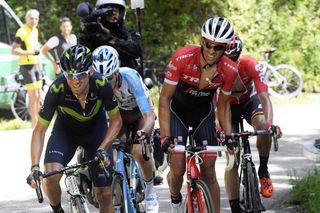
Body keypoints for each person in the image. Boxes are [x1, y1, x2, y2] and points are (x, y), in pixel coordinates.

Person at [26, 45, 122, 213]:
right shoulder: (57, 89)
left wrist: (103, 148)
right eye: (70, 75)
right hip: (66, 133)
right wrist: (34, 167)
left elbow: (116, 121)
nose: (75, 80)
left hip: (96, 133)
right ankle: (57, 210)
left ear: (90, 71)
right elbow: (39, 131)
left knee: (105, 195)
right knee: (51, 176)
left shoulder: (100, 84)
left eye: (80, 75)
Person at [158, 17, 238, 213]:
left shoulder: (229, 70)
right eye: (208, 44)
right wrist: (165, 136)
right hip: (178, 113)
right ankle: (176, 200)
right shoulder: (182, 58)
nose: (211, 50)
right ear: (202, 41)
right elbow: (165, 99)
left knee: (209, 171)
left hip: (203, 116)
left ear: (225, 48)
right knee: (177, 169)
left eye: (218, 47)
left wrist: (228, 135)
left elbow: (224, 106)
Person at [92, 45, 159, 212]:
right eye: (101, 79)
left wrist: (145, 131)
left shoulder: (130, 77)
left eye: (108, 79)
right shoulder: (93, 83)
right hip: (117, 119)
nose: (104, 84)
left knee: (138, 151)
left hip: (139, 115)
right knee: (112, 156)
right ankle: (120, 199)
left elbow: (148, 114)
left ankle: (150, 191)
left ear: (116, 73)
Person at [223, 36, 282, 213]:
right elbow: (215, 103)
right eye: (227, 59)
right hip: (227, 107)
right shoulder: (216, 69)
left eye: (234, 58)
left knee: (263, 127)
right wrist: (220, 129)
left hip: (249, 101)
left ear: (239, 55)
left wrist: (270, 124)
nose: (231, 63)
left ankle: (263, 171)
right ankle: (234, 207)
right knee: (232, 156)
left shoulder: (250, 64)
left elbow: (265, 98)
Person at [79, 0, 142, 72]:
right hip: (98, 77)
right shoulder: (95, 32)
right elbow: (82, 56)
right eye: (108, 11)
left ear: (122, 13)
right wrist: (85, 35)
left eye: (116, 11)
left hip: (125, 76)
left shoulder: (129, 33)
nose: (113, 14)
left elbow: (138, 50)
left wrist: (112, 39)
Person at [11, 9, 42, 127]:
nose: (33, 21)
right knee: (33, 94)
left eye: (36, 18)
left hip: (36, 65)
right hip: (26, 65)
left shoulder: (35, 31)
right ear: (26, 19)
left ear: (38, 20)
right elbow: (13, 50)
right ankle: (34, 124)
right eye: (31, 18)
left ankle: (39, 121)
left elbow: (36, 50)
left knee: (39, 94)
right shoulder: (21, 31)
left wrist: (40, 65)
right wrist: (30, 53)